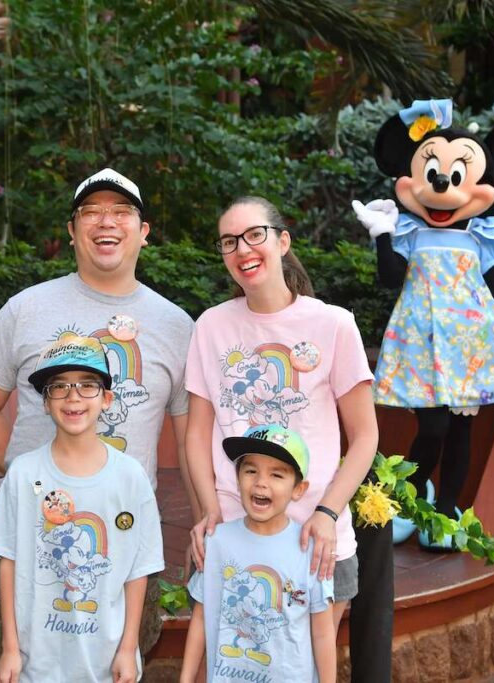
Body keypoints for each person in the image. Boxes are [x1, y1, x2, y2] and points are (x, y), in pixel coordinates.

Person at [0, 168, 195, 680]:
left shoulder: (178, 326)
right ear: (72, 230)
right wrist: (26, 479)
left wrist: (203, 520)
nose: (105, 223)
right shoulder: (25, 309)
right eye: (91, 212)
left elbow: (191, 438)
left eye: (120, 212)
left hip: (123, 537)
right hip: (31, 538)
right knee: (10, 660)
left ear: (144, 230)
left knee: (118, 664)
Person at [184, 196, 391, 682]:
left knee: (299, 669)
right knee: (238, 668)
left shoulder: (333, 324)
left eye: (254, 235)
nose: (243, 249)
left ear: (282, 241)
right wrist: (207, 510)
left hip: (313, 539)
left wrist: (326, 513)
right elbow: (197, 433)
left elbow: (365, 437)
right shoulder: (211, 326)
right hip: (234, 534)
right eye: (229, 242)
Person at [352, 99, 494, 550]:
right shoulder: (408, 233)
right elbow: (391, 279)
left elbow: (493, 291)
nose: (443, 187)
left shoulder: (480, 238)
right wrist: (381, 236)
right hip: (423, 348)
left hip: (468, 349)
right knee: (431, 428)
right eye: (434, 176)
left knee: (461, 430)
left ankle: (445, 512)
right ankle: (409, 501)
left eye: (456, 177)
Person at [0, 335, 163, 682]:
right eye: (59, 387)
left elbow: (140, 570)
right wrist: (11, 649)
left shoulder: (130, 478)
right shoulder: (23, 474)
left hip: (106, 663)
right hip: (36, 664)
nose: (73, 396)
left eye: (87, 385)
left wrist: (127, 648)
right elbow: (8, 561)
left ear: (107, 399)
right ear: (45, 402)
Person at [180, 424, 336, 683]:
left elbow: (322, 632)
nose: (261, 483)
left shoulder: (310, 549)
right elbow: (200, 618)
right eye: (251, 470)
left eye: (277, 475)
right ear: (238, 478)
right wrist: (186, 678)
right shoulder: (216, 542)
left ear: (299, 489)